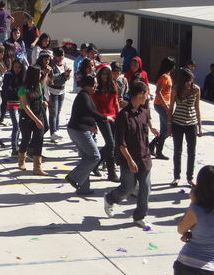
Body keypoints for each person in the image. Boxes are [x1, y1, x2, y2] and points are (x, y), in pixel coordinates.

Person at [103, 81, 156, 228]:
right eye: (146, 95)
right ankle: (110, 199)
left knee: (145, 188)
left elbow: (144, 136)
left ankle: (140, 216)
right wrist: (130, 160)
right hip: (128, 159)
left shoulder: (144, 113)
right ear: (140, 94)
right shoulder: (123, 116)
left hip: (144, 157)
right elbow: (121, 143)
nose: (147, 98)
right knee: (128, 187)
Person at [65, 75, 113, 195]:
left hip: (78, 129)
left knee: (87, 158)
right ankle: (74, 176)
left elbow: (87, 114)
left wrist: (93, 124)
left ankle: (83, 188)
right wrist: (105, 118)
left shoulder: (86, 96)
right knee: (95, 157)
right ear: (87, 85)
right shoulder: (83, 96)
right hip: (79, 131)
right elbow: (90, 111)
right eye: (94, 84)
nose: (96, 86)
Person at [168, 68, 202, 187]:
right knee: (177, 151)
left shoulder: (196, 89)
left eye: (191, 80)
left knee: (191, 152)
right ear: (183, 80)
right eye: (187, 81)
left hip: (191, 123)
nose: (189, 83)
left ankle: (190, 178)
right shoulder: (176, 89)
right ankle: (176, 177)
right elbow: (171, 108)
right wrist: (169, 125)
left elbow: (197, 108)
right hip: (177, 123)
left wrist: (200, 126)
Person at [17, 65, 49, 175]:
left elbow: (39, 99)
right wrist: (36, 120)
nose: (40, 75)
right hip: (26, 117)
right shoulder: (23, 88)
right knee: (25, 139)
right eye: (39, 73)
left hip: (39, 115)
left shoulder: (38, 86)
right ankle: (21, 160)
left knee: (39, 141)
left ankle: (37, 167)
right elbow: (25, 106)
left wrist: (43, 102)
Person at [91, 65, 120, 182]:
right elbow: (93, 107)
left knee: (112, 144)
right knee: (111, 143)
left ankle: (95, 163)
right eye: (102, 74)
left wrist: (119, 117)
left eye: (107, 74)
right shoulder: (96, 87)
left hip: (113, 116)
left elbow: (116, 102)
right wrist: (93, 122)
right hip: (102, 117)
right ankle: (111, 173)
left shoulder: (113, 85)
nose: (104, 76)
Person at [150, 57, 177, 160]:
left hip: (163, 104)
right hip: (161, 105)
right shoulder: (164, 77)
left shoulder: (167, 76)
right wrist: (165, 105)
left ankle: (155, 148)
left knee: (164, 130)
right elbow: (158, 92)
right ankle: (154, 147)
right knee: (167, 129)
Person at [47, 47, 72, 141]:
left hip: (62, 91)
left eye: (63, 55)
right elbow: (52, 78)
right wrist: (63, 75)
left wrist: (67, 75)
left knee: (58, 112)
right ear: (55, 56)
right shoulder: (51, 65)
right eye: (59, 55)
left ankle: (56, 130)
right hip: (53, 91)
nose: (61, 57)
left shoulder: (64, 64)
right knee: (53, 112)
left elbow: (66, 78)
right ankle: (53, 132)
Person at [3, 59, 25, 158]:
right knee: (16, 125)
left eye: (19, 67)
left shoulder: (23, 76)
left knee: (20, 125)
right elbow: (7, 89)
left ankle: (16, 145)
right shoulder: (8, 75)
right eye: (15, 67)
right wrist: (17, 91)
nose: (17, 69)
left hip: (21, 102)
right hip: (12, 102)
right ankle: (14, 148)